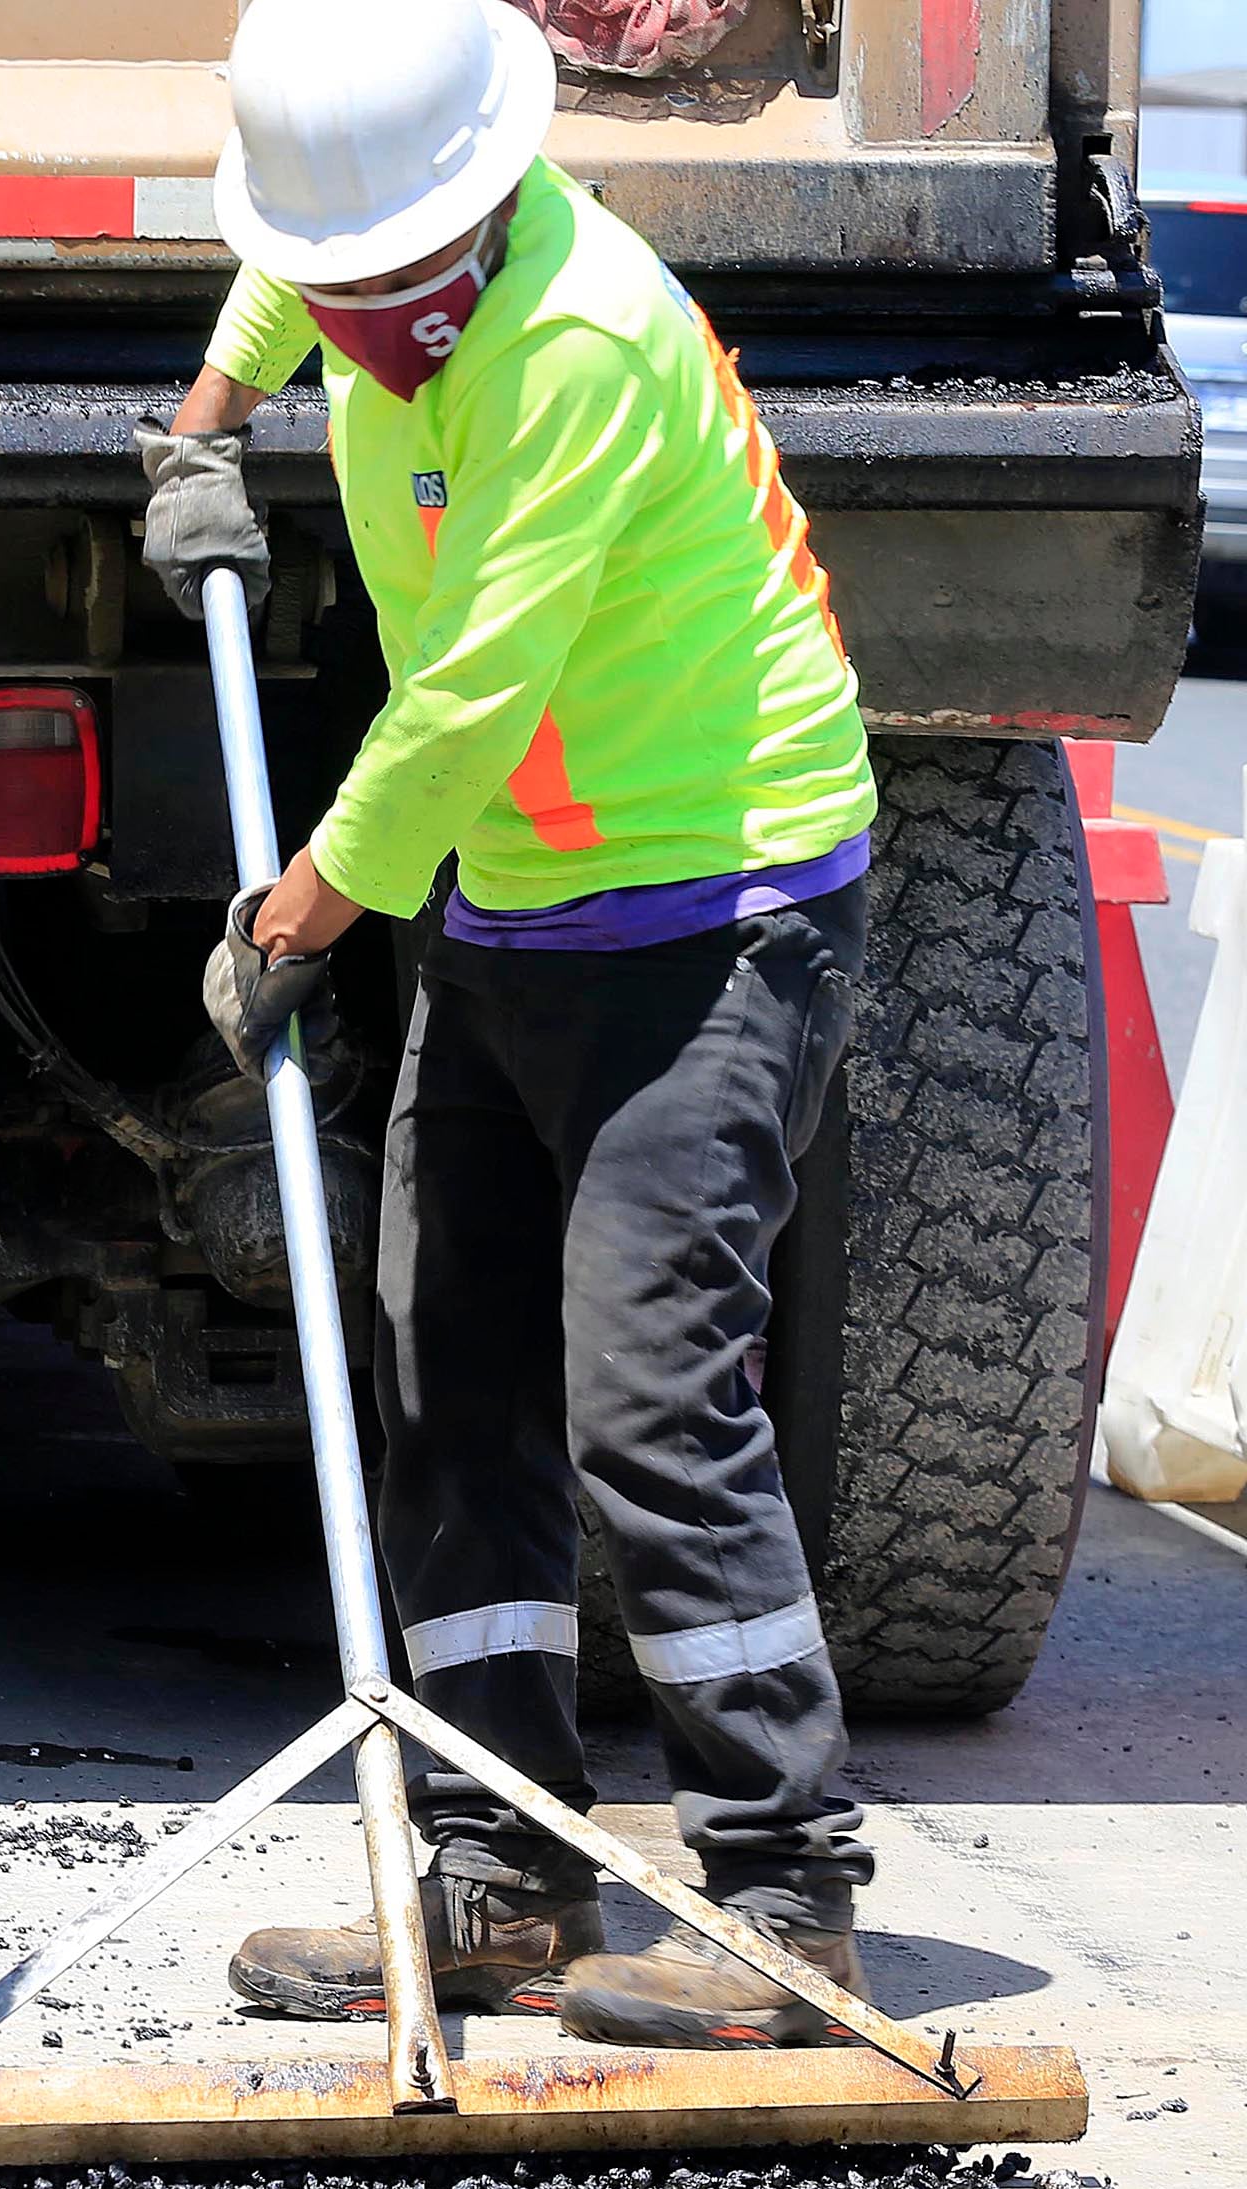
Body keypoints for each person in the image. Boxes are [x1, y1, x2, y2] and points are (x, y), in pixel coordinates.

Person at [143, 0, 885, 2047]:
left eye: (398, 293)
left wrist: (297, 913)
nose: (365, 331)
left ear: (482, 214)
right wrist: (212, 412)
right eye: (335, 289)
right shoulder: (368, 255)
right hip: (521, 910)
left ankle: (782, 1899)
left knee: (649, 1388)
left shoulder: (576, 340)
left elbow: (469, 691)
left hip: (718, 909)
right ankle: (504, 1861)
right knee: (449, 1361)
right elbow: (302, 264)